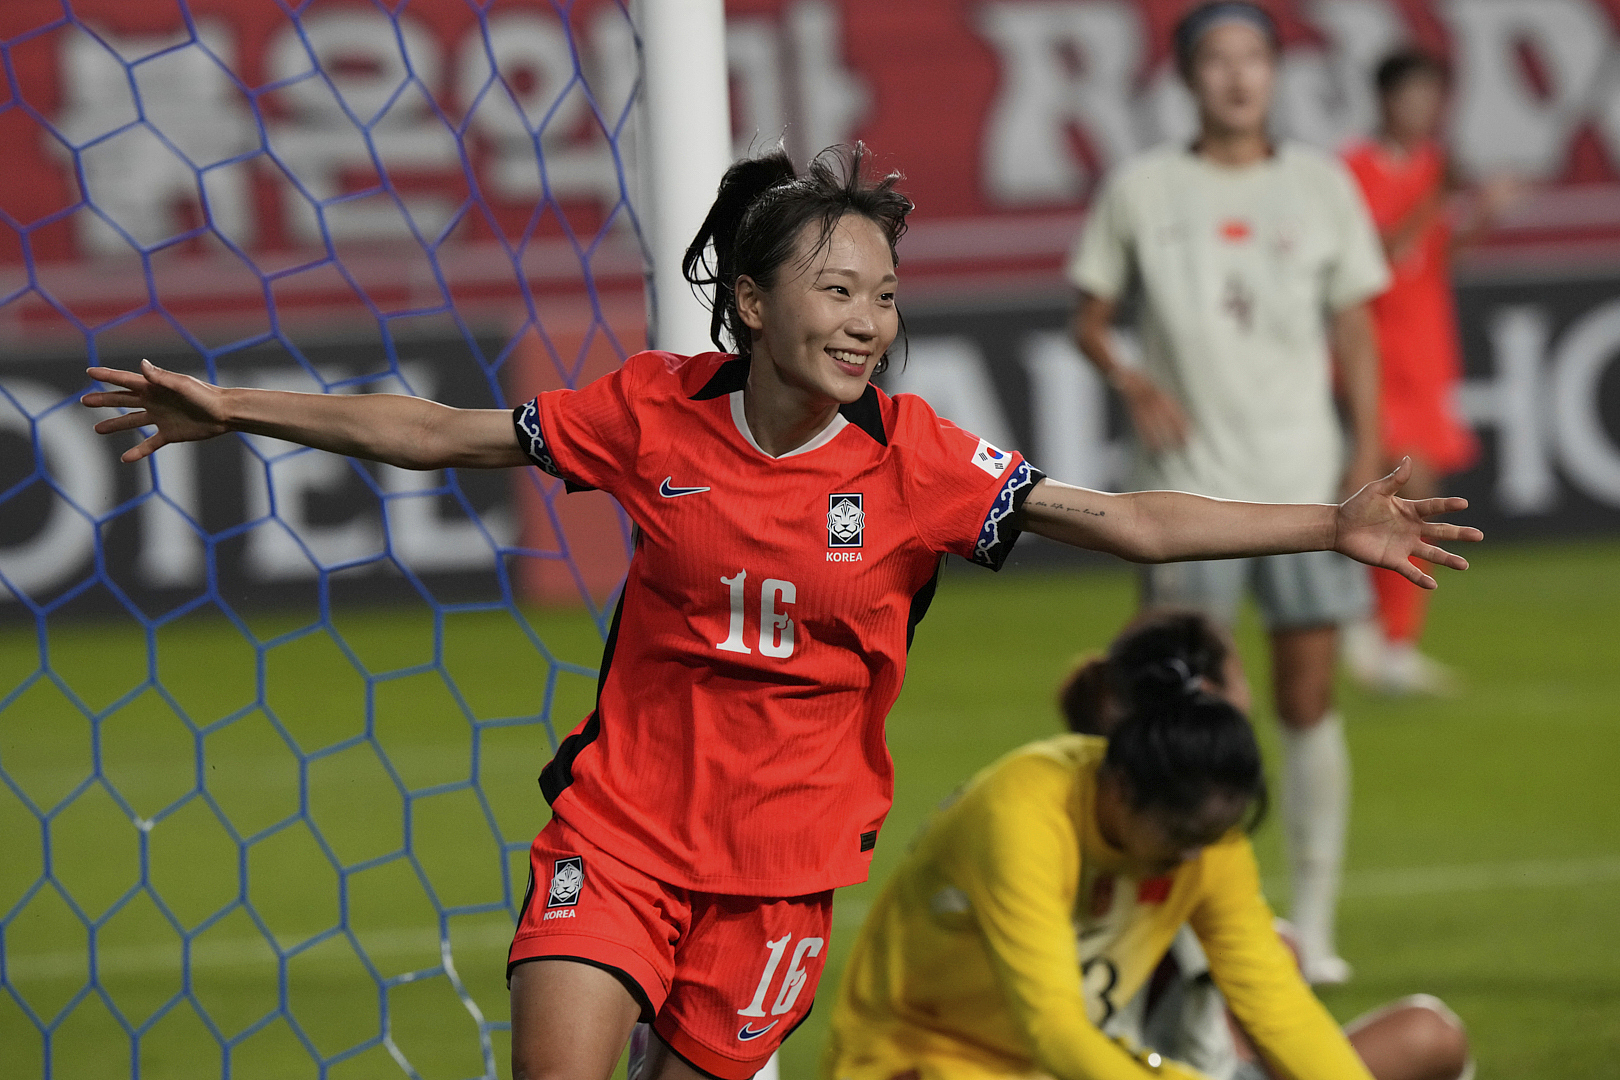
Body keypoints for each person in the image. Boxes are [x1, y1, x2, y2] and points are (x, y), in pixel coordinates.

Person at [83, 144, 1477, 1080]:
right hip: (620, 834)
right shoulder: (649, 412)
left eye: (882, 294)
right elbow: (442, 432)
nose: (867, 320)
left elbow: (1129, 519)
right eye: (835, 290)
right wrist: (238, 406)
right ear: (750, 302)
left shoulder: (921, 460)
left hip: (779, 874)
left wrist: (1328, 522)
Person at [1069, 2, 1389, 984]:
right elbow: (1090, 318)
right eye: (1218, 59)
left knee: (1304, 698)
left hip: (1305, 484)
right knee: (1176, 702)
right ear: (1187, 77)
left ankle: (1317, 926)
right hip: (1183, 497)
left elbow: (1357, 330)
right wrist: (1131, 378)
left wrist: (1366, 449)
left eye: (1254, 57)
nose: (1238, 77)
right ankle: (1177, 918)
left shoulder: (1320, 184)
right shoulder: (1143, 188)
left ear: (1277, 72)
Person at [822, 611, 1473, 1080]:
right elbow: (1053, 1028)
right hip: (922, 1064)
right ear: (1124, 789)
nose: (1194, 859)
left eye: (1211, 840)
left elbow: (1279, 1010)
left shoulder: (1204, 834)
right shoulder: (1023, 813)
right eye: (1180, 839)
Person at [1058, 610, 1474, 1080]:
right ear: (1209, 694)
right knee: (1430, 1034)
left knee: (1282, 949)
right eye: (1239, 672)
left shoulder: (1090, 796)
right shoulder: (1185, 829)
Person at [1339, 49, 1524, 697]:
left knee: (1416, 496)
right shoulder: (1355, 170)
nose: (1422, 108)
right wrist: (1436, 197)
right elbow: (1371, 258)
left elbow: (1432, 257)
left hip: (1427, 353)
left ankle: (1387, 638)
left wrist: (1480, 219)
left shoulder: (1427, 168)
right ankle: (1371, 632)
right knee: (1388, 490)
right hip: (1374, 353)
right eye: (1410, 95)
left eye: (1430, 96)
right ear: (1385, 99)